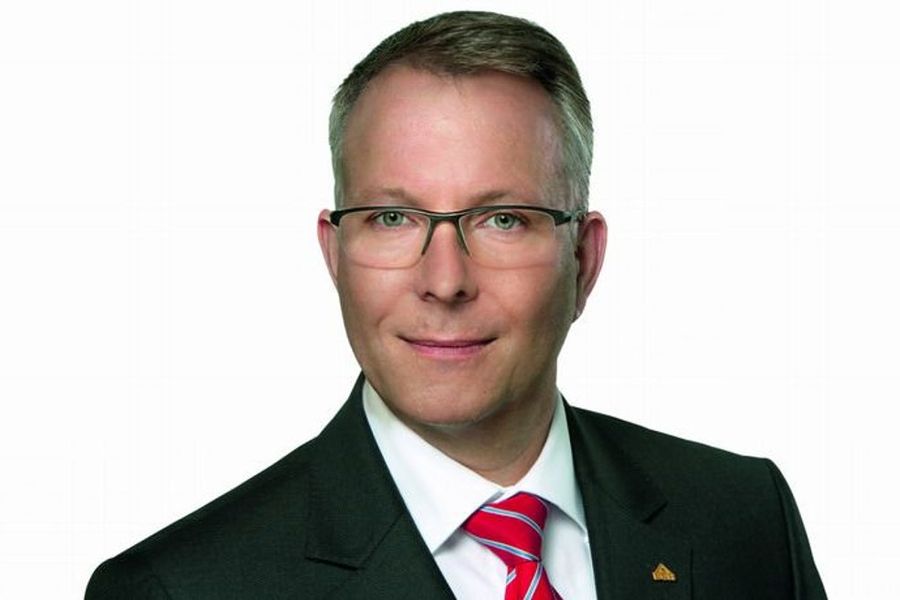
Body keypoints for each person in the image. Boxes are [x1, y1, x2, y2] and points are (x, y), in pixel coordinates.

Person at [86, 10, 826, 599]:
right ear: (335, 255)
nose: (444, 281)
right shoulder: (180, 588)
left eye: (503, 219)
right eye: (392, 218)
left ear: (584, 259)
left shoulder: (744, 517)